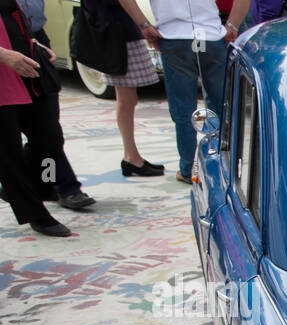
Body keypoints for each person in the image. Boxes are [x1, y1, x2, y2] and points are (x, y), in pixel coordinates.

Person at [116, 0, 250, 183]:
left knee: (183, 109)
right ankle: (222, 164)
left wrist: (144, 24)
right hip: (210, 35)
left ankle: (189, 168)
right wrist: (233, 24)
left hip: (174, 37)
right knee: (220, 106)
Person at [14, 0, 95, 209]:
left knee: (48, 130)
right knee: (32, 130)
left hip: (36, 41)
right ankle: (63, 187)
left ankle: (47, 182)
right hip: (8, 49)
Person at [0, 0, 71, 234]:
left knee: (50, 138)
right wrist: (4, 55)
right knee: (10, 153)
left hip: (27, 67)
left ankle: (41, 186)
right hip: (4, 78)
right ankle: (36, 214)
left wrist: (32, 42)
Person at [81, 0, 164, 176]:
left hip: (114, 29)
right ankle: (131, 157)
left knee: (127, 98)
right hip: (117, 31)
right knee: (126, 99)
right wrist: (144, 24)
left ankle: (131, 155)